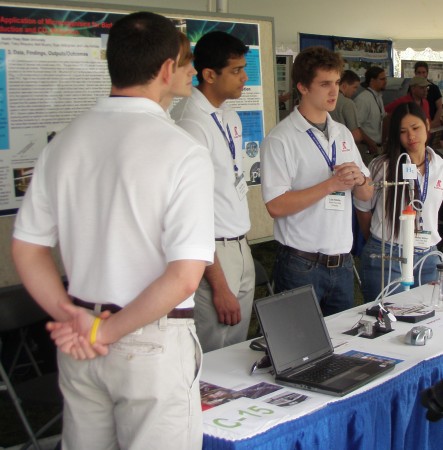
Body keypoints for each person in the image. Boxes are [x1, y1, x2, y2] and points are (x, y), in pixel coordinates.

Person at [11, 12, 215, 450]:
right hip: (148, 341)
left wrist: (73, 318)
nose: (191, 73)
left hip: (81, 340)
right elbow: (184, 275)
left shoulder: (64, 143)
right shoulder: (183, 151)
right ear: (165, 70)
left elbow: (27, 248)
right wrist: (104, 331)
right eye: (184, 63)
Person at [261, 46, 373, 316]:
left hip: (343, 262)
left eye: (336, 82)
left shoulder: (342, 132)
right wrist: (330, 186)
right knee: (300, 348)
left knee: (341, 346)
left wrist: (359, 181)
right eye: (324, 84)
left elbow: (367, 195)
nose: (334, 91)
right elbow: (275, 206)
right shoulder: (281, 139)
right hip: (301, 263)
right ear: (302, 86)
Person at [171, 31, 255, 353]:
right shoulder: (191, 123)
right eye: (236, 70)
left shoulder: (228, 116)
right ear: (208, 75)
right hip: (214, 254)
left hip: (240, 244)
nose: (244, 77)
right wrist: (218, 284)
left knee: (237, 346)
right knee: (215, 350)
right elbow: (192, 212)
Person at [355, 102, 443, 303]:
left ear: (428, 125)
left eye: (416, 128)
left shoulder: (439, 165)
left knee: (428, 315)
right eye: (403, 131)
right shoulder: (383, 166)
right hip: (388, 253)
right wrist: (377, 240)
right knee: (389, 317)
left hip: (428, 255)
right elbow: (363, 208)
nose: (411, 136)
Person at [354, 66, 387, 165]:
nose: (385, 81)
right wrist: (369, 142)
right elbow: (356, 126)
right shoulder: (363, 99)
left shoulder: (378, 96)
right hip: (367, 148)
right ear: (372, 81)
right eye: (382, 79)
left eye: (385, 78)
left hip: (377, 147)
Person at [330, 69, 362, 142]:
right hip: (343, 145)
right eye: (354, 87)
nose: (355, 91)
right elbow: (356, 136)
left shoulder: (324, 100)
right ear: (344, 86)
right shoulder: (347, 103)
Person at [415, 61, 442, 128]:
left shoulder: (434, 88)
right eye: (419, 72)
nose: (421, 75)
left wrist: (434, 122)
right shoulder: (412, 88)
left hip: (432, 124)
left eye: (423, 72)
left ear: (427, 73)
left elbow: (439, 108)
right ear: (415, 73)